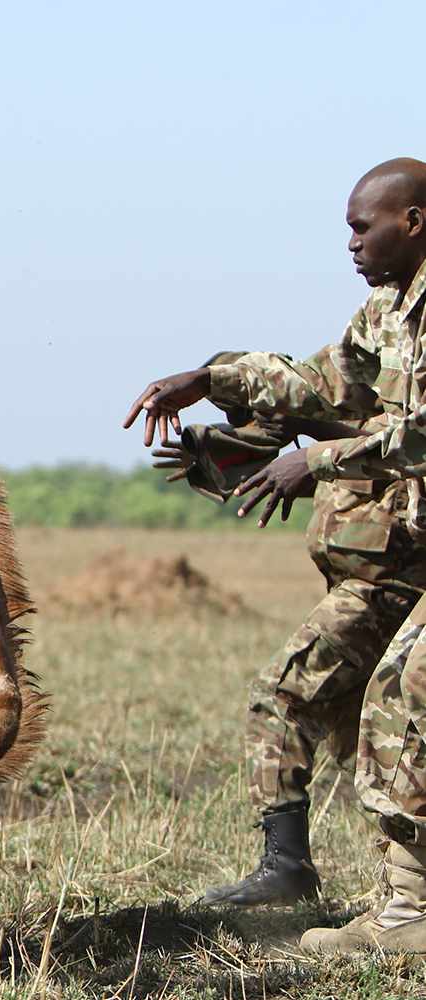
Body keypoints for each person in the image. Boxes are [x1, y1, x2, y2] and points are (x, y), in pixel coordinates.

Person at [125, 158, 426, 952]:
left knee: (401, 697)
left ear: (415, 221)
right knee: (304, 693)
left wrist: (317, 462)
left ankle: (407, 916)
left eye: (364, 227)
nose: (352, 244)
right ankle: (306, 874)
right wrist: (211, 379)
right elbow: (323, 386)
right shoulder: (389, 309)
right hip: (400, 560)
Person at [152, 372, 426, 906]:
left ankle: (287, 870)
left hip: (389, 579)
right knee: (366, 741)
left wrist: (312, 456)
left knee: (282, 692)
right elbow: (315, 402)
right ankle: (406, 892)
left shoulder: (404, 376)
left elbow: (381, 435)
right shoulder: (377, 350)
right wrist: (250, 443)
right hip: (364, 576)